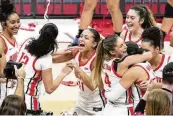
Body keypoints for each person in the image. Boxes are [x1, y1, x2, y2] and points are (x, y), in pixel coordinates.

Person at [16, 23, 72, 114]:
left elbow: (41, 50)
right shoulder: (46, 59)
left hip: (13, 94)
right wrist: (63, 73)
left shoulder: (28, 41)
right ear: (54, 40)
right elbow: (49, 89)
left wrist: (62, 51)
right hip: (28, 103)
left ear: (40, 31)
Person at [54, 28, 105, 115]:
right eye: (81, 36)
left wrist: (77, 68)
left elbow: (92, 86)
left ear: (94, 44)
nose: (81, 39)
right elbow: (54, 59)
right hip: (81, 103)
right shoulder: (76, 51)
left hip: (97, 106)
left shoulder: (97, 59)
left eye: (86, 37)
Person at [0, 0, 21, 105]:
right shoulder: (1, 41)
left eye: (18, 21)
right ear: (4, 23)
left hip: (11, 87)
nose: (17, 25)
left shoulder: (13, 39)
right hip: (3, 92)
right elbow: (1, 73)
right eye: (13, 22)